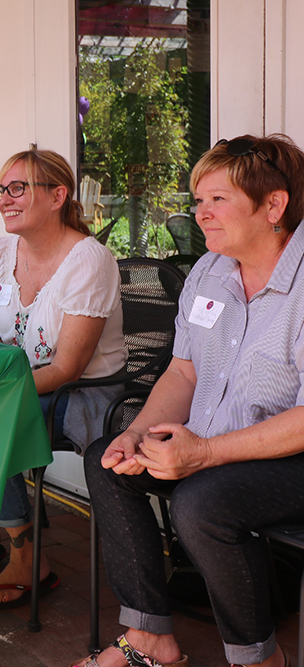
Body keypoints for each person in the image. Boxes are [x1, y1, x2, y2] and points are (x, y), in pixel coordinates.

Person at [80, 134, 304, 667]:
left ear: (274, 204)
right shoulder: (209, 269)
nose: (202, 214)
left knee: (201, 502)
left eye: (218, 200)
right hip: (213, 447)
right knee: (109, 461)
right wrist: (140, 432)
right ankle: (149, 636)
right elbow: (184, 371)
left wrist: (204, 454)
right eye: (198, 201)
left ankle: (258, 659)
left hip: (292, 454)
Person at [0, 149, 126, 610]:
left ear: (58, 196)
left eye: (19, 188)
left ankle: (26, 557)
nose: (5, 199)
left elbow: (67, 368)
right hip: (20, 385)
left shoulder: (87, 260)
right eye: (1, 189)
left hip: (81, 395)